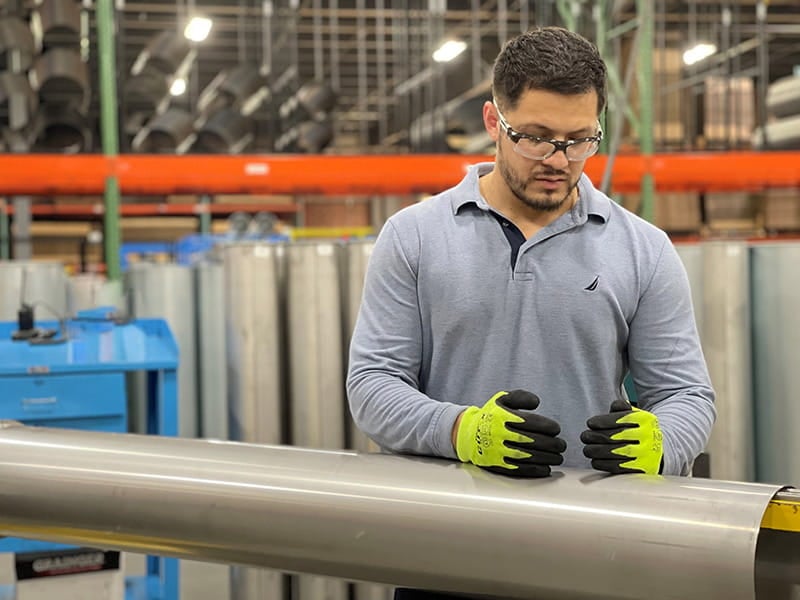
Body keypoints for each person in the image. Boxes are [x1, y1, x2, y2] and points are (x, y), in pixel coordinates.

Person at [347, 27, 715, 485]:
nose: (559, 161)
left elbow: (687, 394)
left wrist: (664, 442)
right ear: (492, 121)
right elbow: (372, 385)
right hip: (445, 522)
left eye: (580, 140)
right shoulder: (413, 237)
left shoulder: (645, 249)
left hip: (593, 526)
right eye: (536, 138)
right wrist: (461, 431)